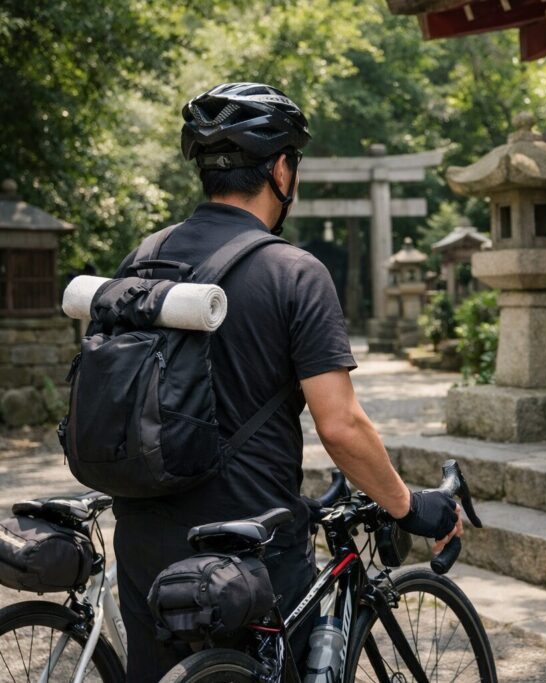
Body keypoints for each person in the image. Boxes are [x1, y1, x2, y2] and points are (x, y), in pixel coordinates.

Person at [111, 83, 461, 682]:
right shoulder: (293, 272)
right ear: (279, 169)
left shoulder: (145, 258)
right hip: (251, 552)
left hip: (144, 543)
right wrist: (407, 505)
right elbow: (341, 426)